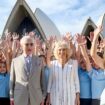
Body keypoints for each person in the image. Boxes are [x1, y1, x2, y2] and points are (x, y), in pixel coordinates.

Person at [10, 36, 45, 105]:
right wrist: (11, 96)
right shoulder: (15, 61)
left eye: (31, 44)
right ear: (21, 46)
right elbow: (12, 80)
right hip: (19, 97)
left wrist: (43, 96)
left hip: (36, 97)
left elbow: (42, 80)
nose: (29, 46)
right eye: (26, 44)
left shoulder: (39, 60)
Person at [46, 40, 80, 105]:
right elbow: (50, 81)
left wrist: (77, 96)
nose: (62, 52)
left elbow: (76, 81)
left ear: (67, 51)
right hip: (55, 95)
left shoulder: (74, 63)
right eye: (60, 49)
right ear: (56, 51)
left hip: (70, 96)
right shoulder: (53, 64)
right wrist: (48, 96)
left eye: (64, 49)